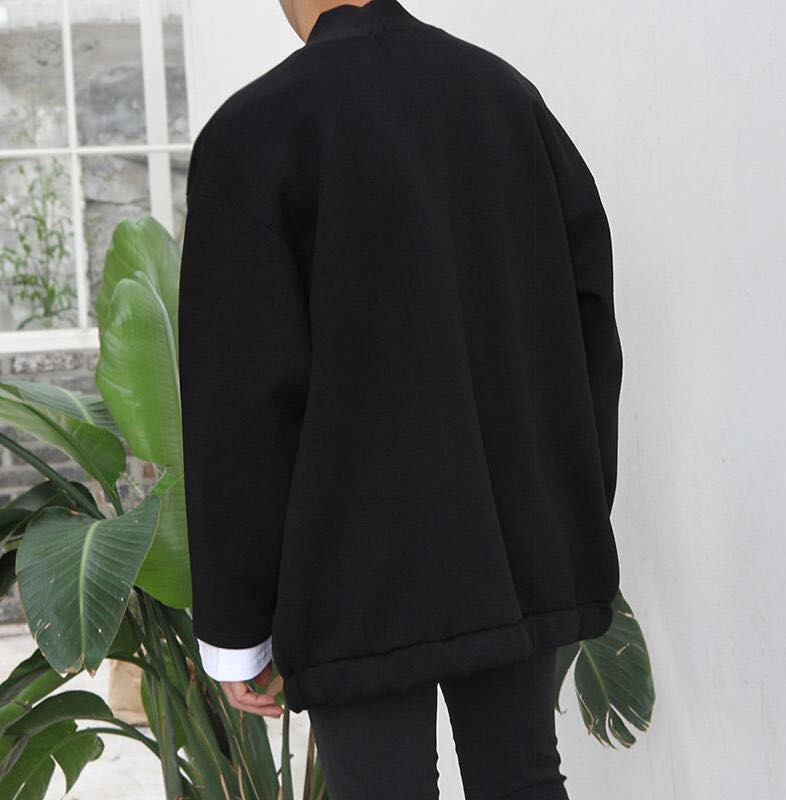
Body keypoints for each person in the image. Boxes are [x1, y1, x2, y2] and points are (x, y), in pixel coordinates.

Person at [177, 0, 623, 797]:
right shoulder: (505, 100)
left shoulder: (258, 130)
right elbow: (587, 321)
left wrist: (237, 626)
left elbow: (238, 405)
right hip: (515, 541)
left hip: (351, 570)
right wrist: (568, 518)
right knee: (523, 778)